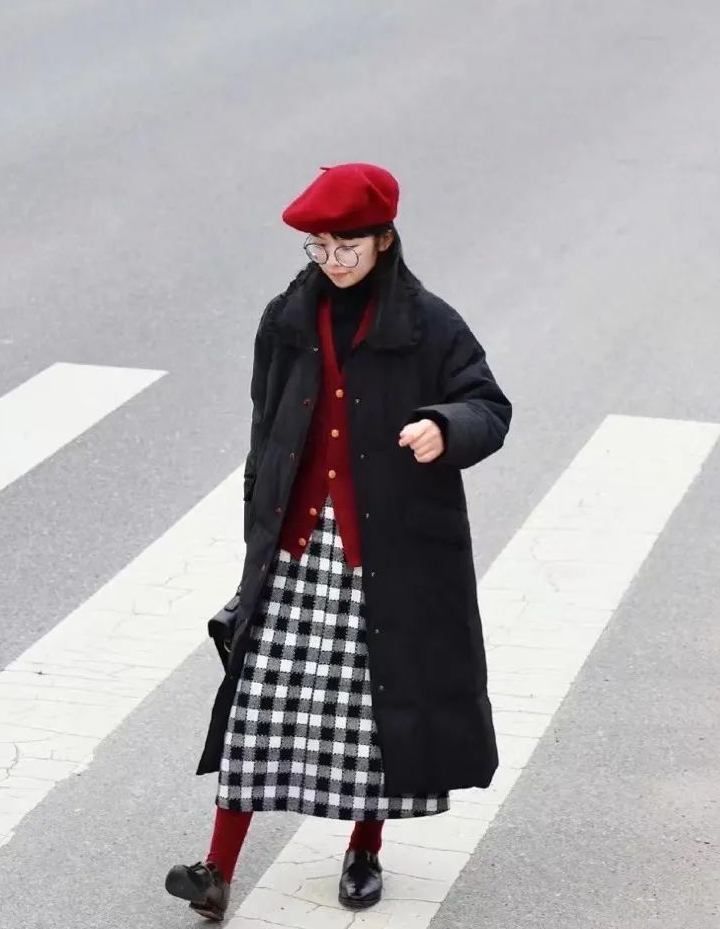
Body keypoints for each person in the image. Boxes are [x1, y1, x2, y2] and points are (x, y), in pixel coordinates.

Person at [165, 163, 512, 921]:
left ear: (384, 239)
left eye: (345, 246)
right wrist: (257, 524)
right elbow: (265, 427)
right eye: (319, 248)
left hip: (389, 551)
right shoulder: (286, 320)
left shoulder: (430, 325)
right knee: (259, 703)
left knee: (373, 710)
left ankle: (364, 850)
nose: (332, 261)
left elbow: (488, 405)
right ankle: (216, 870)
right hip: (295, 547)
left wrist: (444, 426)